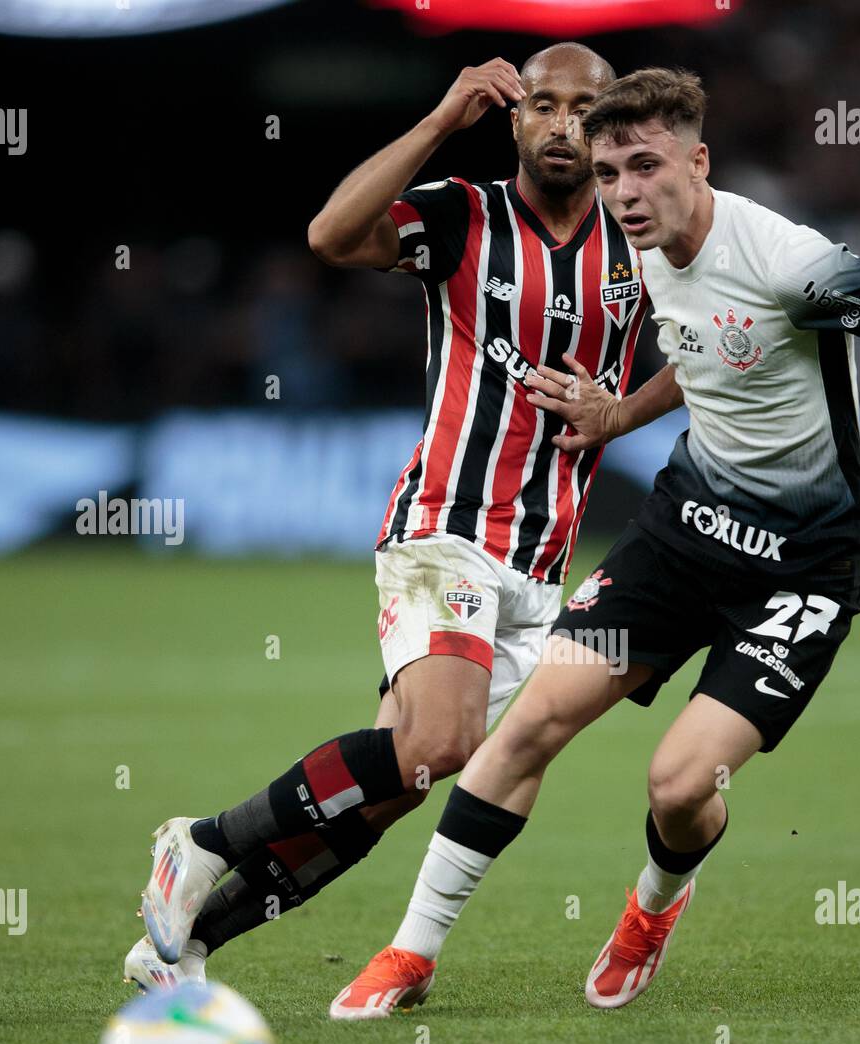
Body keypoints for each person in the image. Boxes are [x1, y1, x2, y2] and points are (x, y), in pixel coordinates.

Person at [328, 66, 860, 1019]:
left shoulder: (786, 261)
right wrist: (617, 418)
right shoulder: (640, 246)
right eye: (607, 174)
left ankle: (653, 905)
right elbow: (702, 354)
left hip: (801, 568)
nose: (624, 193)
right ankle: (411, 953)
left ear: (698, 161)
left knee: (678, 785)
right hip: (679, 540)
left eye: (644, 166)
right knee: (525, 730)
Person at [124, 44, 677, 990]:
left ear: (610, 124)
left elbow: (713, 352)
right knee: (441, 748)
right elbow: (331, 236)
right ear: (511, 118)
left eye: (581, 110)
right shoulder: (464, 214)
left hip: (539, 566)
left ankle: (186, 948)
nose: (557, 124)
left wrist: (619, 411)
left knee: (387, 793)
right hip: (444, 528)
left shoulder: (642, 241)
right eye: (539, 104)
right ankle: (203, 838)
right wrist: (434, 121)